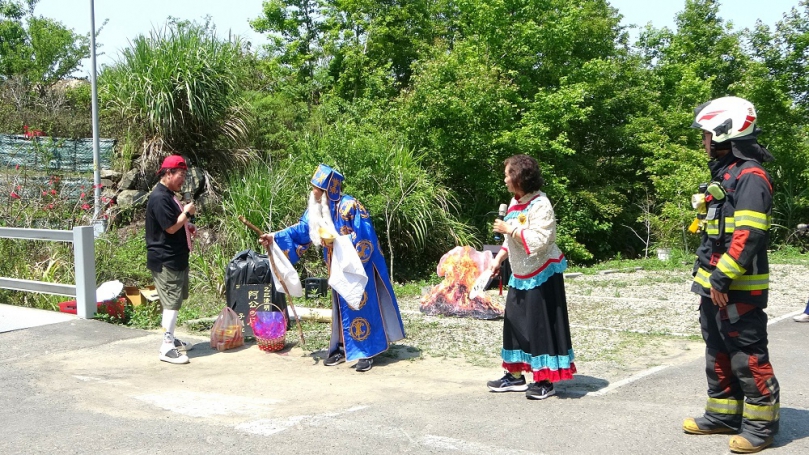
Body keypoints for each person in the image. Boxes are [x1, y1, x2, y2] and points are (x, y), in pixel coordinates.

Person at [684, 96, 779, 453]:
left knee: (746, 354)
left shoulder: (751, 176)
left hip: (737, 287)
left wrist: (722, 279)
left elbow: (749, 234)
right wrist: (710, 280)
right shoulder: (726, 173)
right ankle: (723, 414)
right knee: (717, 350)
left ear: (727, 132)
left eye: (707, 134)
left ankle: (761, 427)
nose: (704, 141)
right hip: (715, 284)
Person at [260, 164, 405, 372]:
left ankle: (367, 351)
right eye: (313, 187)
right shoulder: (315, 209)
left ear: (330, 189)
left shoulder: (351, 206)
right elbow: (301, 231)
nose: (314, 192)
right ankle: (340, 347)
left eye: (318, 188)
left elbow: (366, 237)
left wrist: (338, 244)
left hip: (357, 267)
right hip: (335, 268)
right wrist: (273, 238)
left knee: (360, 304)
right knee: (340, 308)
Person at [485, 154, 575, 400]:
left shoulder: (541, 204)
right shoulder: (515, 203)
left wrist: (510, 228)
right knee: (514, 324)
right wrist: (498, 260)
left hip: (542, 273)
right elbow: (509, 242)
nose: (504, 180)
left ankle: (544, 380)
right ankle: (514, 377)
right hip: (520, 272)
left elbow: (539, 241)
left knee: (539, 326)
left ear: (519, 177)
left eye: (507, 174)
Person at [145, 155, 197, 365]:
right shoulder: (159, 197)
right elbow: (170, 227)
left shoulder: (168, 195)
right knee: (171, 303)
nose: (182, 180)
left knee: (175, 301)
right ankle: (166, 346)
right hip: (165, 259)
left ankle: (171, 337)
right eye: (180, 175)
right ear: (168, 173)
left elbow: (174, 225)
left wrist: (187, 225)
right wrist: (186, 214)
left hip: (176, 257)